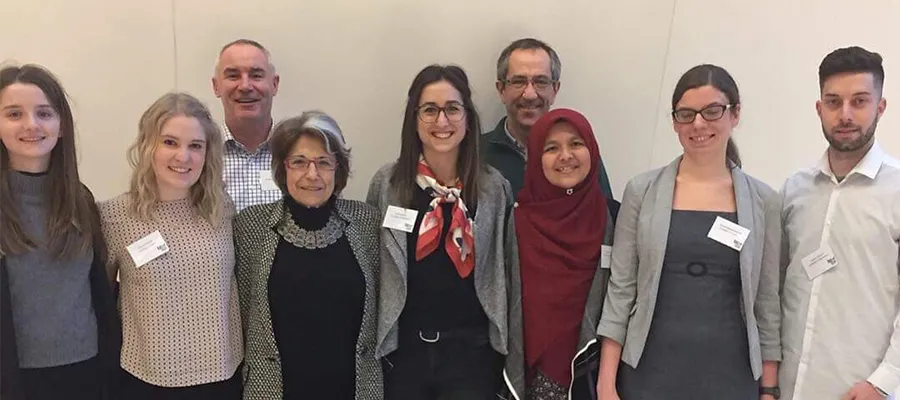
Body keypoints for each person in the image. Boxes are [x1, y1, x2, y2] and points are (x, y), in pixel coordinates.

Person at [595, 64, 781, 400]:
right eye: (686, 114)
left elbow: (766, 302)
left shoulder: (763, 201)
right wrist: (606, 383)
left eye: (712, 111)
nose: (698, 124)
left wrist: (768, 390)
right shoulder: (642, 191)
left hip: (731, 375)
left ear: (735, 114)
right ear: (674, 121)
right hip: (649, 370)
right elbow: (621, 290)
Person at [367, 64, 512, 399]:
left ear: (468, 117)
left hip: (471, 356)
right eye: (429, 110)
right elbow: (373, 265)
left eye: (452, 109)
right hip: (404, 354)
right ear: (414, 119)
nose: (441, 122)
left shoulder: (492, 188)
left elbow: (505, 270)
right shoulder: (388, 184)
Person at [99, 92, 243, 399]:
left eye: (195, 146)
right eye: (170, 142)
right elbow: (100, 300)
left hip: (221, 380)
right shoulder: (115, 216)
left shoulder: (223, 210)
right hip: (145, 381)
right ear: (148, 145)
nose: (183, 156)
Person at [234, 111, 383, 400]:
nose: (312, 175)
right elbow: (241, 314)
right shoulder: (251, 226)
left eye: (324, 162)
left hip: (353, 389)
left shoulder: (366, 223)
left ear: (337, 170)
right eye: (299, 162)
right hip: (274, 390)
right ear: (283, 167)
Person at [780, 46, 899, 400]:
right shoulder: (794, 190)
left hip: (861, 391)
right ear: (819, 109)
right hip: (786, 388)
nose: (845, 114)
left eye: (859, 101)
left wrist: (884, 381)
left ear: (880, 107)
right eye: (833, 102)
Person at [0, 64, 119, 400]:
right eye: (14, 114)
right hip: (15, 379)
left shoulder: (80, 199)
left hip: (87, 372)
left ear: (61, 125)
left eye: (44, 113)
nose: (31, 125)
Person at [502, 108, 615, 400]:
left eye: (576, 144)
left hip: (594, 377)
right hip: (525, 377)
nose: (565, 156)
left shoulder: (616, 219)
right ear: (537, 158)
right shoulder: (515, 220)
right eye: (551, 148)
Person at [482, 38, 616, 213]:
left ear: (555, 90)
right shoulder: (476, 155)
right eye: (518, 81)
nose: (529, 94)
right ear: (501, 90)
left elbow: (603, 219)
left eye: (541, 82)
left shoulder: (580, 156)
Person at [212, 38, 282, 211]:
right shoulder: (198, 157)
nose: (245, 86)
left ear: (274, 84)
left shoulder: (299, 156)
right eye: (233, 76)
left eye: (256, 75)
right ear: (216, 86)